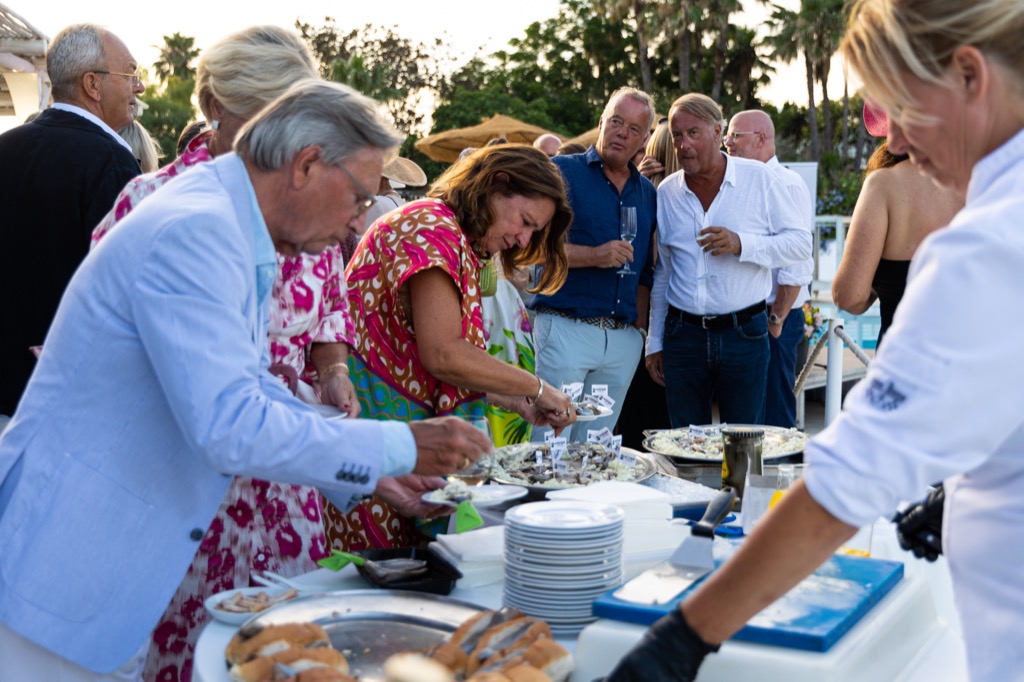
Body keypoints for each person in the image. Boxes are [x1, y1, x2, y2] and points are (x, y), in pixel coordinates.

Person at [0, 79, 492, 682]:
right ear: (306, 165)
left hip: (103, 560)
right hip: (70, 565)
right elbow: (229, 424)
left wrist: (378, 473)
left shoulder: (227, 221)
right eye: (359, 197)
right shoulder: (199, 228)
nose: (356, 223)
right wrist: (399, 444)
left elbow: (253, 386)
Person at [607, 0, 1024, 679]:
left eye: (899, 109)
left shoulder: (982, 246)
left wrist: (681, 639)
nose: (898, 140)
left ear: (971, 76)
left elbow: (846, 482)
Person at [89, 26, 362, 682]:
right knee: (186, 652)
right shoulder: (151, 202)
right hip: (182, 483)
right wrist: (385, 457)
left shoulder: (305, 203)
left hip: (286, 477)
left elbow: (329, 310)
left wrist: (332, 371)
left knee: (284, 652)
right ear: (216, 105)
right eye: (268, 113)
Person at [327, 144, 576, 550]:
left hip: (393, 443)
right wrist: (536, 387)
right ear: (496, 185)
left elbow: (426, 359)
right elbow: (443, 354)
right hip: (375, 445)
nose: (522, 238)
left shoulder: (447, 231)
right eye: (525, 222)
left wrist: (513, 400)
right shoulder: (431, 228)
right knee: (374, 574)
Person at [0, 23, 143, 416]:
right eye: (130, 74)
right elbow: (125, 290)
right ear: (92, 85)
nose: (140, 87)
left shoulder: (5, 147)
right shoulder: (111, 162)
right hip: (62, 401)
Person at [646, 93, 810, 429]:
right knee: (684, 442)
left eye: (693, 133)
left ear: (717, 132)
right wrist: (655, 341)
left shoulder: (759, 179)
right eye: (677, 135)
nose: (683, 145)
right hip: (683, 335)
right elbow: (664, 273)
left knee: (744, 442)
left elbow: (800, 245)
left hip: (744, 334)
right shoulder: (667, 192)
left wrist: (742, 244)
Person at [529, 87, 658, 442]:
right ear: (601, 122)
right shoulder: (561, 172)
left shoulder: (647, 192)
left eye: (634, 129)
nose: (622, 133)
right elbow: (534, 247)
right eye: (616, 122)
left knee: (596, 449)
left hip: (621, 341)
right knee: (550, 443)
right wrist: (595, 255)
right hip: (567, 329)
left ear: (645, 139)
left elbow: (646, 271)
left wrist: (638, 334)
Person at [832, 106, 963, 348]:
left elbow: (848, 296)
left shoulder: (883, 185)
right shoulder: (988, 181)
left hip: (904, 361)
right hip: (978, 363)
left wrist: (882, 279)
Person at [724, 109, 815, 428]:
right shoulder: (744, 183)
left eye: (735, 136)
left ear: (761, 138)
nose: (727, 143)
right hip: (750, 317)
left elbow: (797, 263)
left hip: (774, 315)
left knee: (774, 416)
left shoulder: (785, 183)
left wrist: (776, 319)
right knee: (748, 416)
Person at [616, 119, 677, 446]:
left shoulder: (640, 194)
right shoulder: (664, 198)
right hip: (660, 322)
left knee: (635, 426)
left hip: (635, 325)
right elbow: (652, 268)